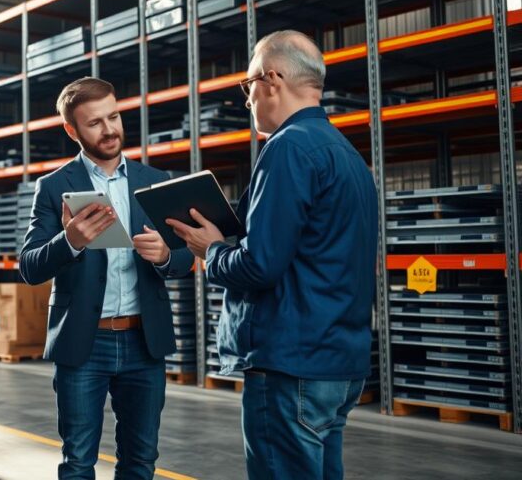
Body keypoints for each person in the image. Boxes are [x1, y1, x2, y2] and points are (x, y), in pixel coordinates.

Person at [168, 30, 377, 480]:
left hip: (290, 362)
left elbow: (259, 265)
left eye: (248, 86)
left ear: (272, 79)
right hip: (339, 361)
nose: (247, 101)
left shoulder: (287, 148)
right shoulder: (348, 157)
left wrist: (212, 250)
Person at [19, 77, 194, 480]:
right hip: (85, 342)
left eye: (114, 116)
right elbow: (30, 267)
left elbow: (187, 258)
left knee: (141, 460)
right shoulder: (54, 187)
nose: (110, 129)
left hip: (143, 343)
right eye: (95, 122)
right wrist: (71, 242)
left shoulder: (155, 179)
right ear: (72, 130)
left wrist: (167, 256)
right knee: (79, 461)